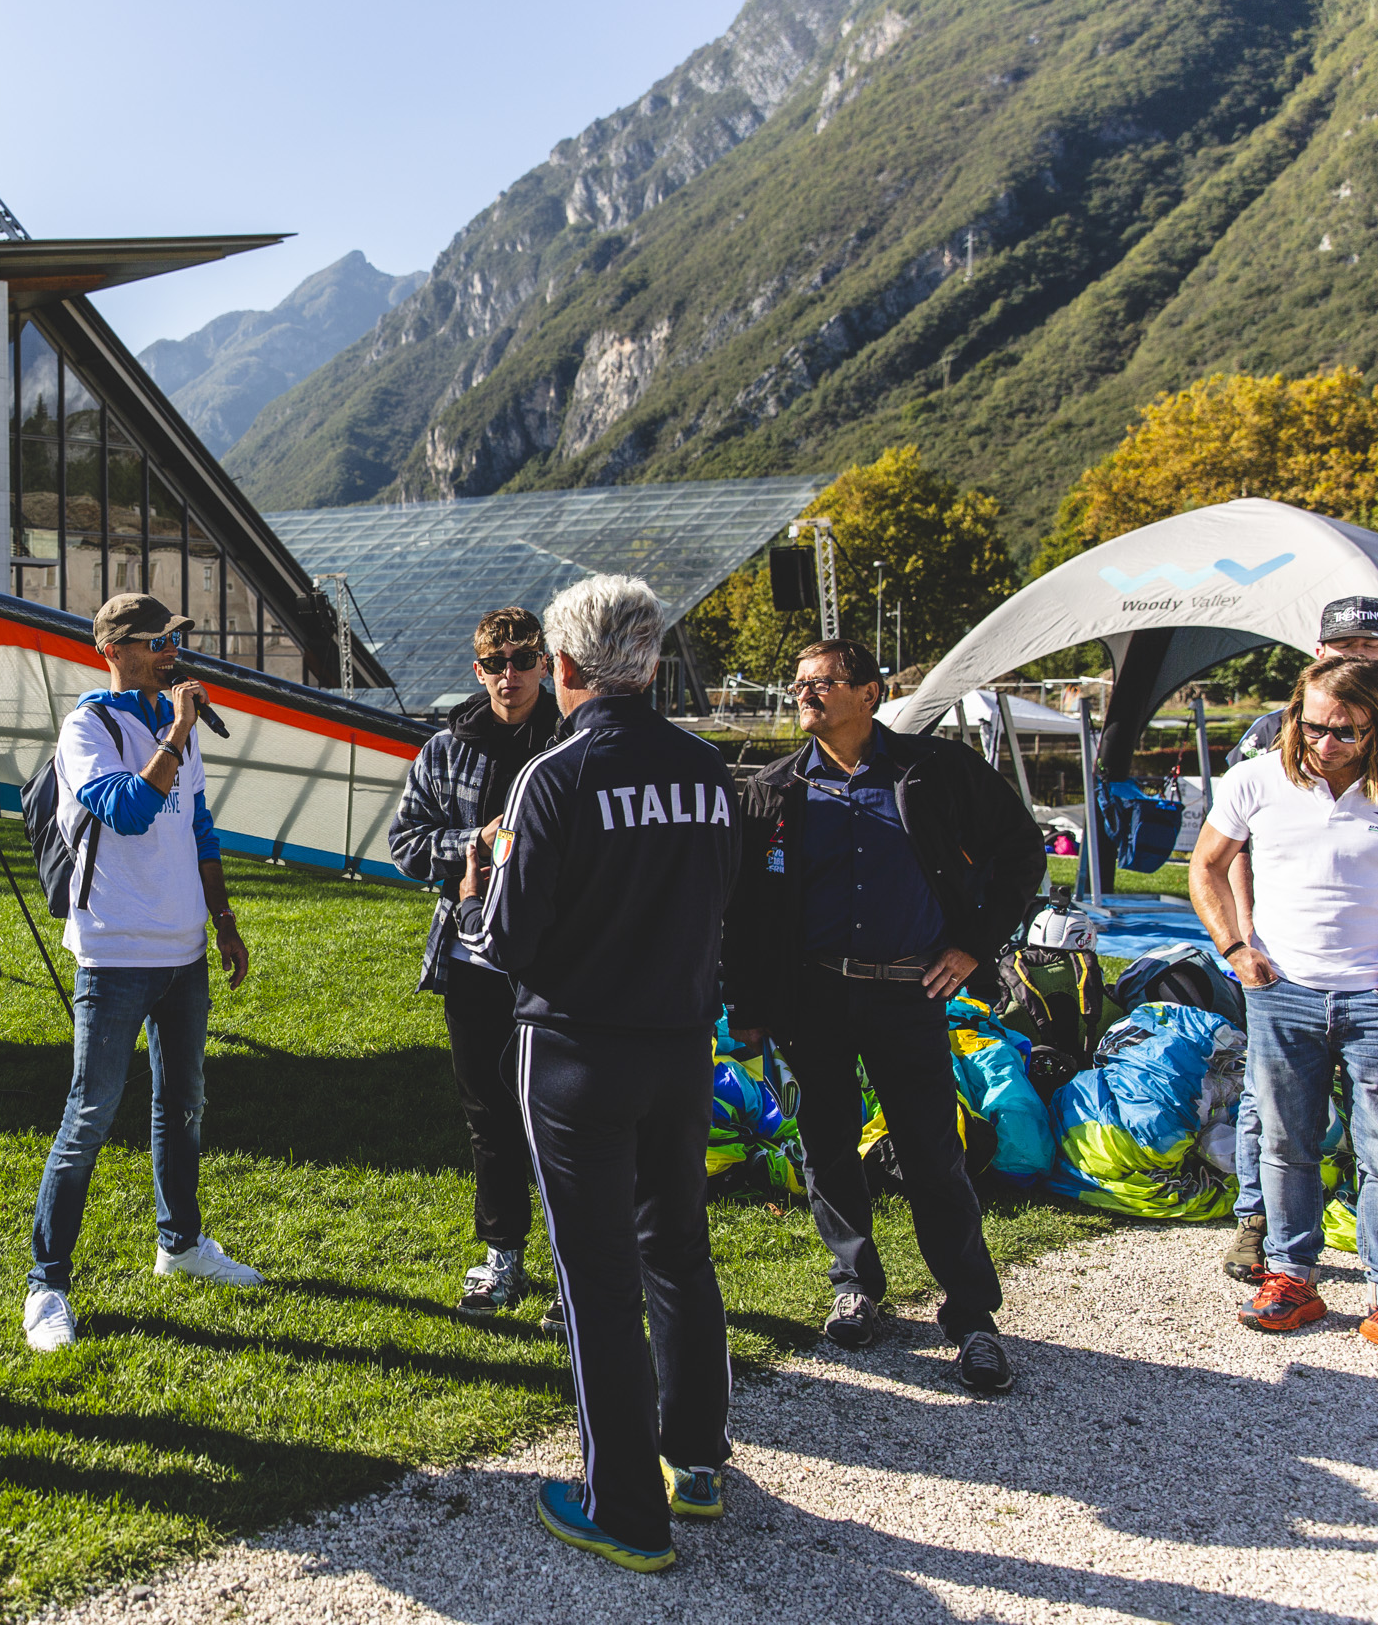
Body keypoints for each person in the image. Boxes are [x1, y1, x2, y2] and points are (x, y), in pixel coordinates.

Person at [455, 573, 736, 1573]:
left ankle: (623, 1504)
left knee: (596, 1274)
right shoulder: (707, 768)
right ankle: (697, 1458)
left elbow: (509, 941)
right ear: (650, 660)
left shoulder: (556, 774)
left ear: (564, 668)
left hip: (575, 1044)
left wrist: (482, 878)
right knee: (679, 1247)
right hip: (679, 1039)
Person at [722, 638, 1044, 1395]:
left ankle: (971, 1316)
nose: (806, 695)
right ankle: (855, 1284)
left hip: (909, 993)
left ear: (869, 693)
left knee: (935, 1155)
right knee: (826, 1146)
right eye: (798, 683)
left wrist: (972, 945)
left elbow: (1023, 850)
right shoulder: (772, 789)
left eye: (824, 682)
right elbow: (747, 912)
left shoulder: (936, 772)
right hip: (815, 998)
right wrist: (751, 1005)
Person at [1190, 655, 1378, 1364]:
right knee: (1284, 1141)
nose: (1324, 744)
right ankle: (1291, 1278)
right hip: (1283, 993)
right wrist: (1235, 947)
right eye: (1311, 727)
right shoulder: (1256, 779)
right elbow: (1206, 865)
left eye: (1345, 732)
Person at [22, 592, 258, 1352]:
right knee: (89, 1117)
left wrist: (222, 922)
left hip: (182, 952)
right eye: (156, 640)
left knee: (183, 1100)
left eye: (174, 639)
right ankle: (46, 1284)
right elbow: (124, 809)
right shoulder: (87, 727)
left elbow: (197, 826)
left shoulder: (174, 727)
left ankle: (179, 1242)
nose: (170, 650)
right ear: (114, 650)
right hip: (115, 953)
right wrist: (179, 726)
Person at [388, 606, 563, 1322]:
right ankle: (502, 1257)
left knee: (562, 1117)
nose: (510, 677)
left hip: (559, 963)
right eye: (496, 664)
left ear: (547, 666)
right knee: (489, 1116)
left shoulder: (571, 736)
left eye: (523, 662)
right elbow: (404, 844)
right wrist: (480, 842)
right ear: (478, 668)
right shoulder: (447, 746)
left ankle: (576, 1262)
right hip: (472, 958)